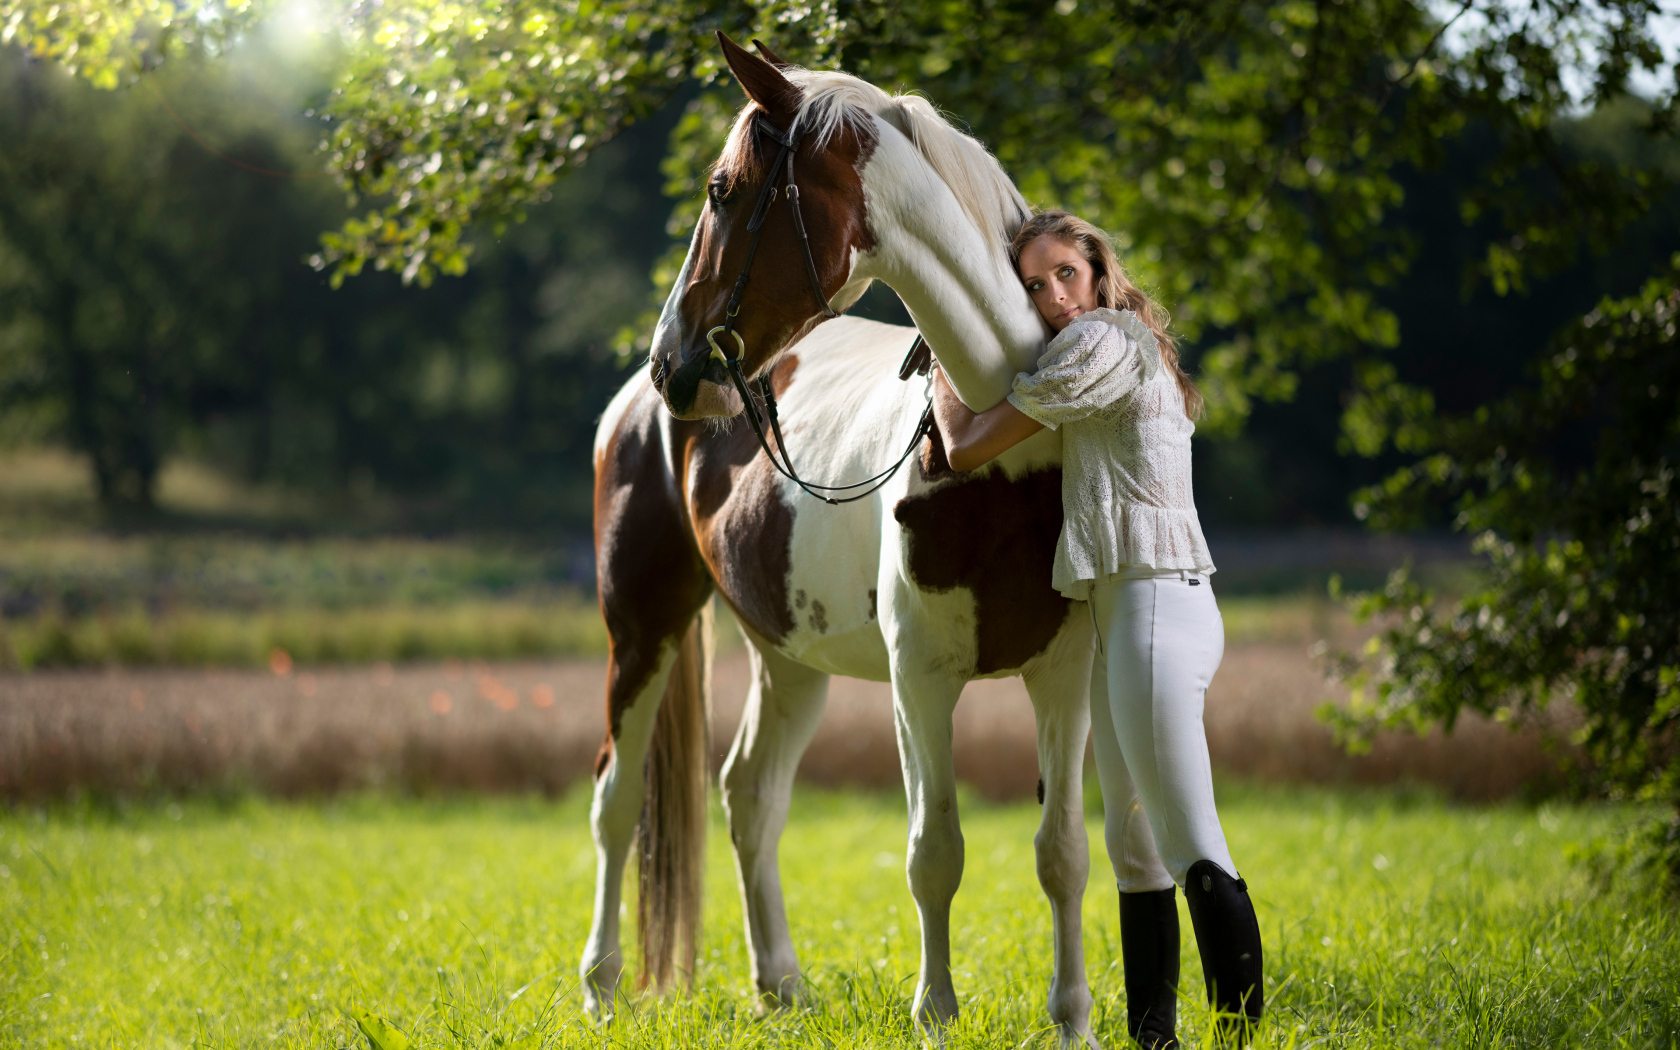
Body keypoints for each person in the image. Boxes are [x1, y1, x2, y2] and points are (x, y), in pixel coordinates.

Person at [929, 211, 1263, 1049]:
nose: (1054, 298)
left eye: (1065, 273)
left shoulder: (1102, 341)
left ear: (1099, 271)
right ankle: (1154, 1041)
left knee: (1191, 845)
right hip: (1129, 614)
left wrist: (940, 352)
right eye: (1034, 287)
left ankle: (1240, 1042)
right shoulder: (1118, 344)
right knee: (1135, 849)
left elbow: (964, 447)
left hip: (1154, 610)